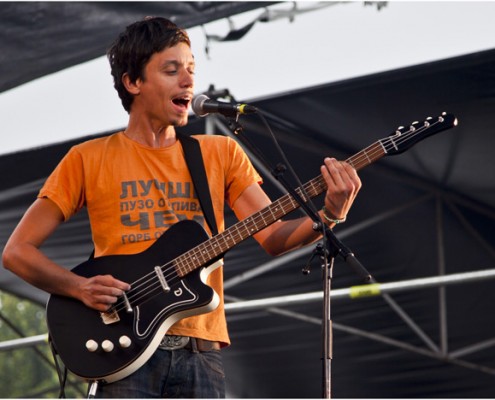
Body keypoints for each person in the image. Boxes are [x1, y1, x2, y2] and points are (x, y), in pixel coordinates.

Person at [2, 17, 361, 398]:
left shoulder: (220, 152)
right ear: (132, 82)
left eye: (191, 69)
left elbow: (273, 235)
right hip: (124, 355)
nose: (188, 81)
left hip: (200, 355)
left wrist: (330, 214)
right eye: (172, 70)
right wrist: (79, 288)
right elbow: (16, 252)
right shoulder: (87, 158)